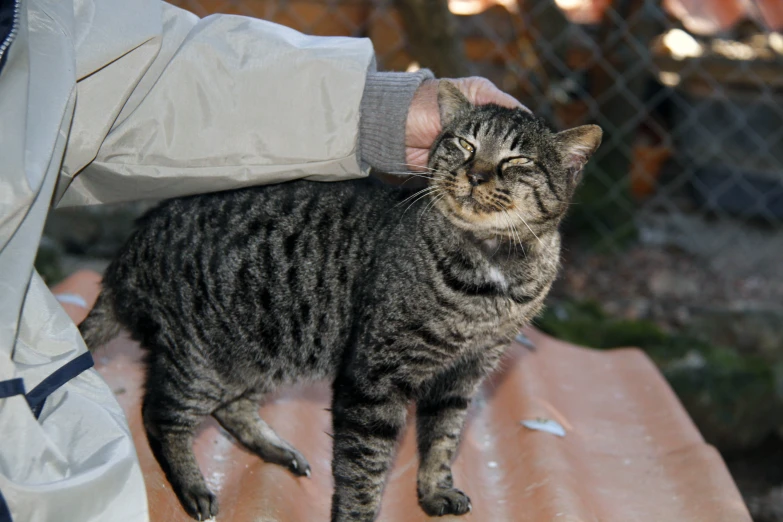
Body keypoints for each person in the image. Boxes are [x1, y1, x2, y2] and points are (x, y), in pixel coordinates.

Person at [0, 0, 525, 520]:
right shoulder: (423, 245)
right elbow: (372, 389)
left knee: (267, 355)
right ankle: (173, 429)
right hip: (200, 269)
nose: (480, 176)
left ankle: (235, 407)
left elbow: (123, 72)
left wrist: (379, 111)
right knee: (208, 365)